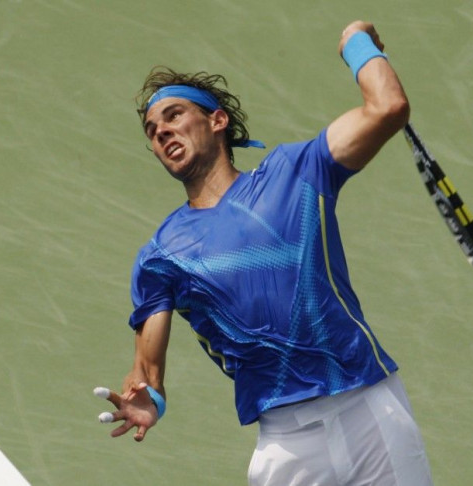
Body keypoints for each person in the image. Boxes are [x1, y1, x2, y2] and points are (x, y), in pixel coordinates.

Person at [95, 20, 434, 486]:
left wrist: (356, 42)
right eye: (152, 130)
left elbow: (388, 106)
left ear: (217, 120)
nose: (161, 132)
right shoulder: (162, 256)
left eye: (174, 115)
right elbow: (147, 370)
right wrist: (149, 397)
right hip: (287, 448)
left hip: (370, 412)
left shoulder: (298, 171)